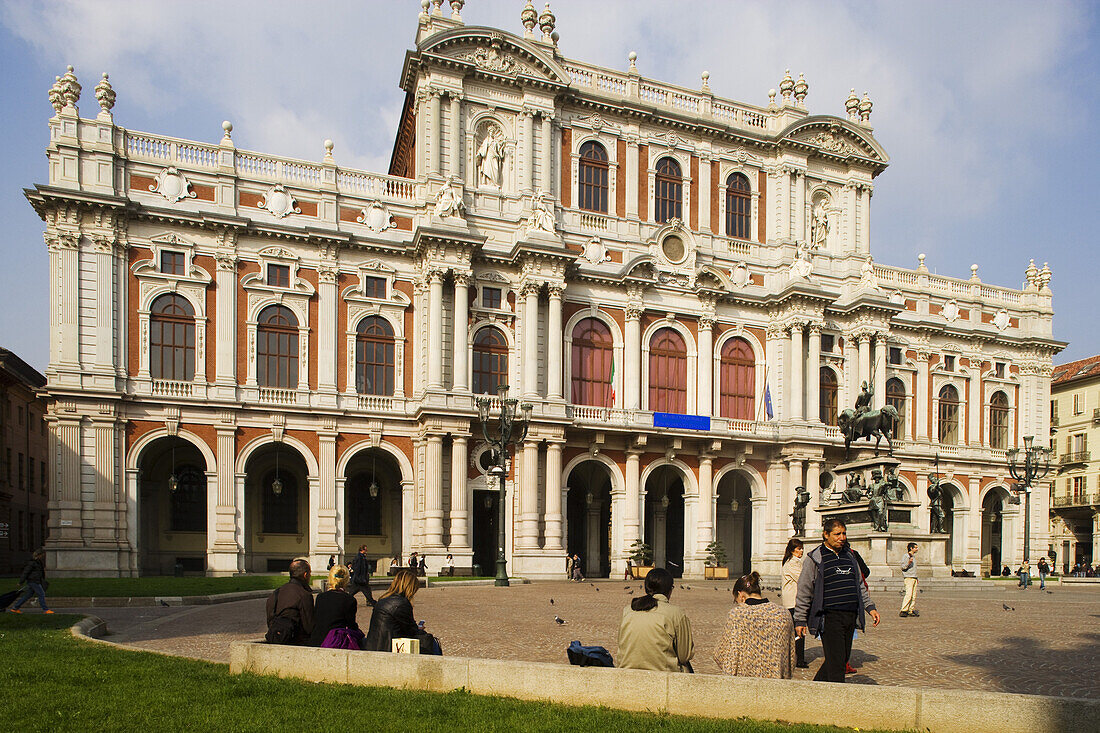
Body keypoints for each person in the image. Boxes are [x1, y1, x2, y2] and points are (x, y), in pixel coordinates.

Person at [793, 519, 880, 683]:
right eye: (837, 534)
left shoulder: (850, 556)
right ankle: (836, 702)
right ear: (825, 535)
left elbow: (859, 584)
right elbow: (804, 590)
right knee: (837, 664)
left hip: (850, 615)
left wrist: (870, 607)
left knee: (841, 657)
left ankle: (815, 689)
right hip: (829, 617)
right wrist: (800, 619)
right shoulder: (815, 558)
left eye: (844, 534)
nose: (842, 538)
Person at [714, 571, 796, 679]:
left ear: (740, 595)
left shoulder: (737, 615)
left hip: (745, 684)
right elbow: (792, 657)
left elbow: (722, 655)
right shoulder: (783, 614)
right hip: (776, 683)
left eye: (736, 600)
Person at [617, 568, 694, 672]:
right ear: (670, 589)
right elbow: (684, 655)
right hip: (663, 676)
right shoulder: (676, 613)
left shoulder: (628, 610)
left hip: (627, 672)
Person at [363, 569, 440, 654]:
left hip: (374, 644)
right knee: (431, 641)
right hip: (388, 647)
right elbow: (411, 630)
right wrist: (420, 629)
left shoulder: (383, 599)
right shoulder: (401, 603)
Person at [265, 558, 315, 645]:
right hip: (295, 641)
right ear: (305, 575)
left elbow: (270, 618)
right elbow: (309, 626)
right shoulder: (304, 595)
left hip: (275, 637)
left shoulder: (277, 592)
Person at [309, 565, 361, 647]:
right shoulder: (349, 600)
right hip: (335, 641)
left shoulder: (320, 597)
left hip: (318, 640)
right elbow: (351, 624)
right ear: (346, 580)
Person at [780, 538, 808, 668]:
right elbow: (802, 579)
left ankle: (797, 657)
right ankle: (798, 659)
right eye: (798, 549)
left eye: (802, 548)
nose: (801, 551)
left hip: (793, 600)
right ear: (792, 550)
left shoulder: (795, 562)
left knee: (797, 630)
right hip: (793, 601)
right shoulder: (792, 563)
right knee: (798, 630)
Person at [9, 549, 52, 614]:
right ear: (39, 555)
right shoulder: (32, 563)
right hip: (33, 581)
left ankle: (15, 608)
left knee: (28, 595)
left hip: (35, 580)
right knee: (41, 594)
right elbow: (25, 572)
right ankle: (45, 609)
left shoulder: (37, 562)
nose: (43, 557)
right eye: (42, 555)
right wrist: (21, 582)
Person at [899, 543, 920, 617]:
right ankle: (904, 610)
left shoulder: (913, 556)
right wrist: (908, 563)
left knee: (913, 595)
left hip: (914, 577)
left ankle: (910, 609)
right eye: (915, 548)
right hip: (908, 577)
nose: (917, 549)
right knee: (909, 594)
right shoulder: (906, 556)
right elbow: (902, 567)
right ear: (911, 548)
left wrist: (916, 578)